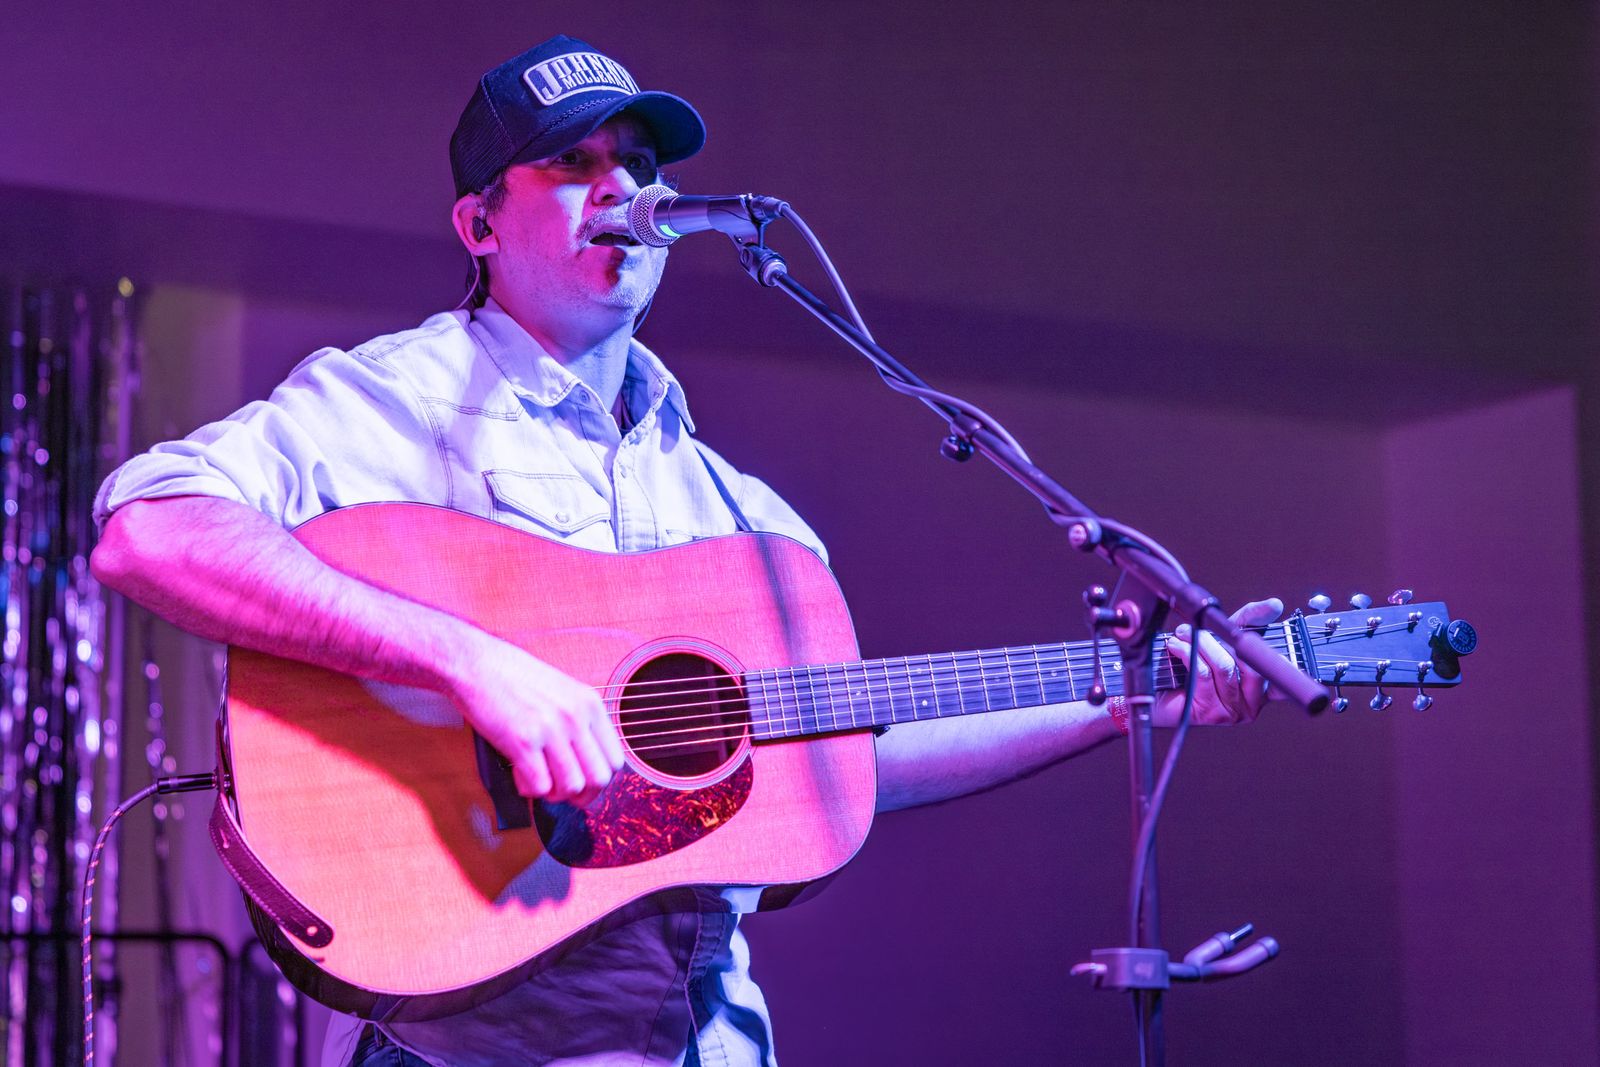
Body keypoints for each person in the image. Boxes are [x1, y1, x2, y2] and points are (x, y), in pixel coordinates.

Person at [89, 34, 1282, 1067]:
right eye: (572, 161)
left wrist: (1127, 700)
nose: (622, 186)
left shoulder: (744, 519)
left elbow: (848, 757)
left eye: (641, 163)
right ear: (479, 222)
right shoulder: (393, 400)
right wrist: (472, 663)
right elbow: (151, 530)